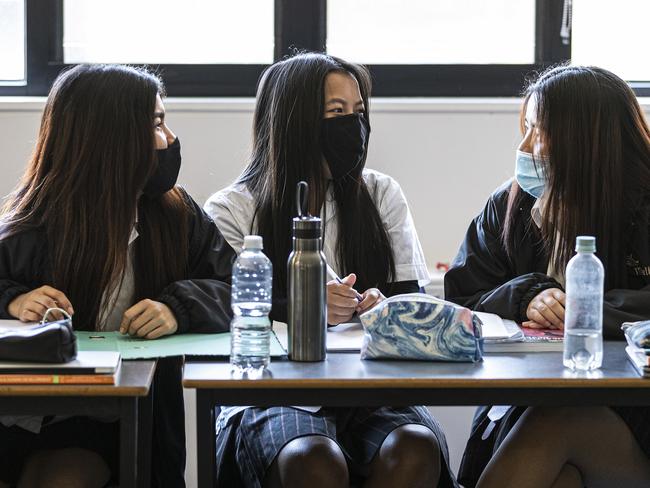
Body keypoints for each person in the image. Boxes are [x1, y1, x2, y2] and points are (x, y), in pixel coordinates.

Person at [204, 52, 456, 488]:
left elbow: (411, 298)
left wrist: (385, 307)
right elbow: (221, 311)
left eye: (358, 112)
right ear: (293, 121)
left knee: (414, 448)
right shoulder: (232, 209)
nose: (353, 125)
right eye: (336, 112)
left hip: (372, 389)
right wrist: (305, 308)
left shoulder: (379, 193)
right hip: (273, 391)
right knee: (312, 460)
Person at [0, 64, 235, 487]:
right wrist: (13, 300)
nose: (169, 140)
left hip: (122, 418)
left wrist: (177, 307)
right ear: (112, 138)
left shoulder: (177, 216)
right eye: (157, 123)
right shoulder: (31, 223)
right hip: (25, 413)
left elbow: (238, 287)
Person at [444, 65, 650, 488]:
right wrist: (525, 296)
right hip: (531, 403)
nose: (523, 145)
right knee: (562, 479)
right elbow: (462, 297)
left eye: (537, 130)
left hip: (628, 415)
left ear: (584, 141)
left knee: (558, 415)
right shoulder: (510, 205)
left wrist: (581, 309)